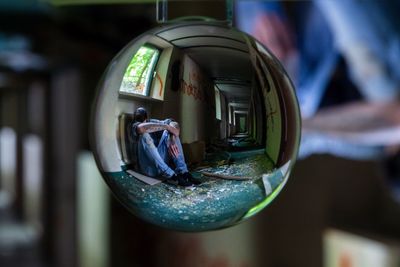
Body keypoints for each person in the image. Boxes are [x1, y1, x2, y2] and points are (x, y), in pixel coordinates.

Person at [131, 107, 200, 187]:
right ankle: (172, 176)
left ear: (146, 117)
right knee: (144, 135)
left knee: (171, 134)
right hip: (148, 167)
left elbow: (174, 126)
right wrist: (167, 127)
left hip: (161, 164)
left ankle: (184, 172)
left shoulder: (152, 121)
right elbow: (141, 129)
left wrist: (172, 137)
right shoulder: (135, 125)